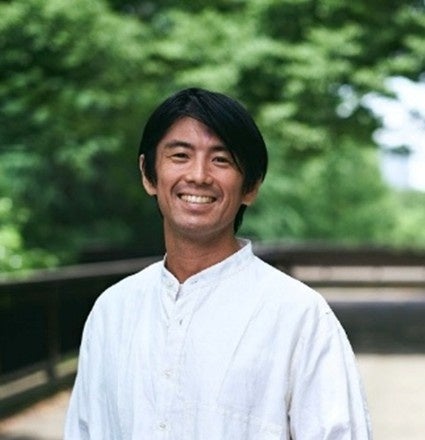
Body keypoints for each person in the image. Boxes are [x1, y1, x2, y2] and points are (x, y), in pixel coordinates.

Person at [64, 88, 372, 439]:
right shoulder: (113, 310)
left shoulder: (298, 315)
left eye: (221, 160)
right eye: (180, 155)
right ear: (149, 175)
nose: (198, 175)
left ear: (251, 186)